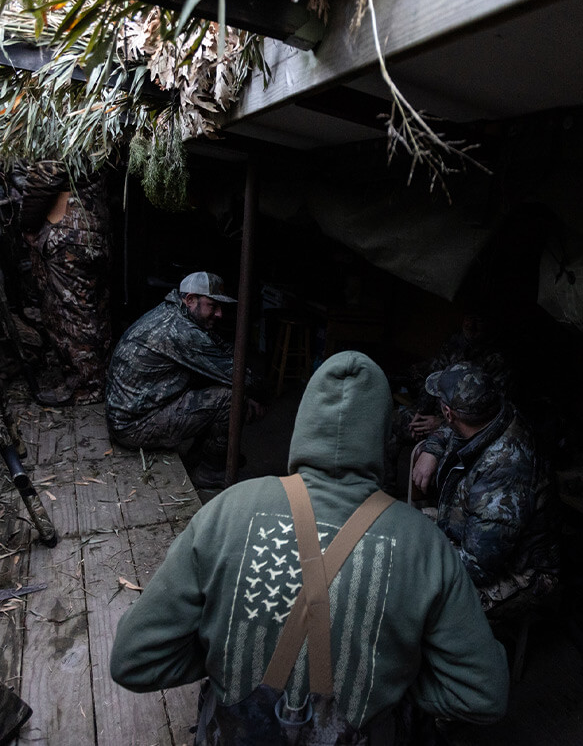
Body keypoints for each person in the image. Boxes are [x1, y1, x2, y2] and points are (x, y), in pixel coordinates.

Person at [109, 351, 508, 743]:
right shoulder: (425, 545)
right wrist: (390, 683)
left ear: (303, 422)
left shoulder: (227, 511)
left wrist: (225, 658)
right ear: (382, 433)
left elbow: (134, 660)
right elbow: (482, 696)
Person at [411, 362, 559, 618]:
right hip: (469, 532)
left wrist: (419, 560)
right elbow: (451, 429)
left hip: (519, 573)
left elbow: (479, 566)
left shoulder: (504, 472)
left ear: (447, 412)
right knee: (398, 530)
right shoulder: (492, 413)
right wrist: (432, 450)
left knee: (411, 591)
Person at [104, 271, 263, 488]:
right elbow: (242, 378)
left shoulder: (172, 312)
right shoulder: (182, 332)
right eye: (212, 306)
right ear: (190, 300)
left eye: (220, 307)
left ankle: (198, 456)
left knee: (208, 381)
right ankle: (210, 470)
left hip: (127, 414)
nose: (219, 314)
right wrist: (249, 396)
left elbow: (217, 351)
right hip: (134, 426)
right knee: (229, 398)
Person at [17, 161, 112, 404]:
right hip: (93, 226)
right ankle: (100, 378)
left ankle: (85, 388)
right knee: (90, 308)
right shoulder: (95, 129)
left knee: (70, 313)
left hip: (68, 230)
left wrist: (28, 222)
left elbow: (46, 174)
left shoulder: (59, 128)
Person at [384, 311, 509, 495]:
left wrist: (441, 424)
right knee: (394, 423)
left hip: (461, 428)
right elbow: (434, 378)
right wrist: (421, 411)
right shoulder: (454, 344)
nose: (471, 325)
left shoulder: (497, 360)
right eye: (468, 318)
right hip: (442, 416)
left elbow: (485, 419)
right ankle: (386, 492)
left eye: (479, 321)